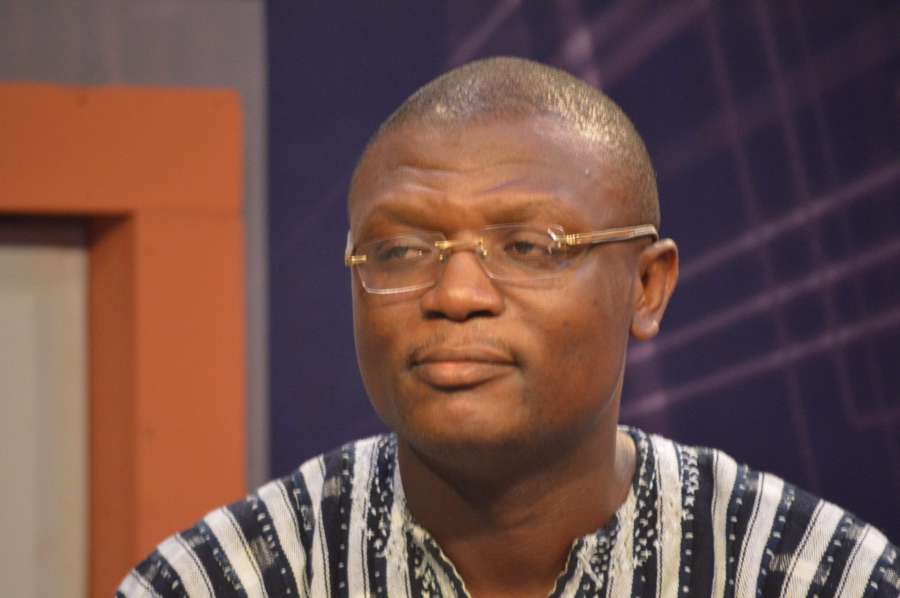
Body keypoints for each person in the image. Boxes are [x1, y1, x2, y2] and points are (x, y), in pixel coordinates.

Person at [117, 57, 899, 598]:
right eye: (400, 250)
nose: (456, 294)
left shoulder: (811, 577)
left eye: (529, 247)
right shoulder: (222, 582)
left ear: (647, 287)